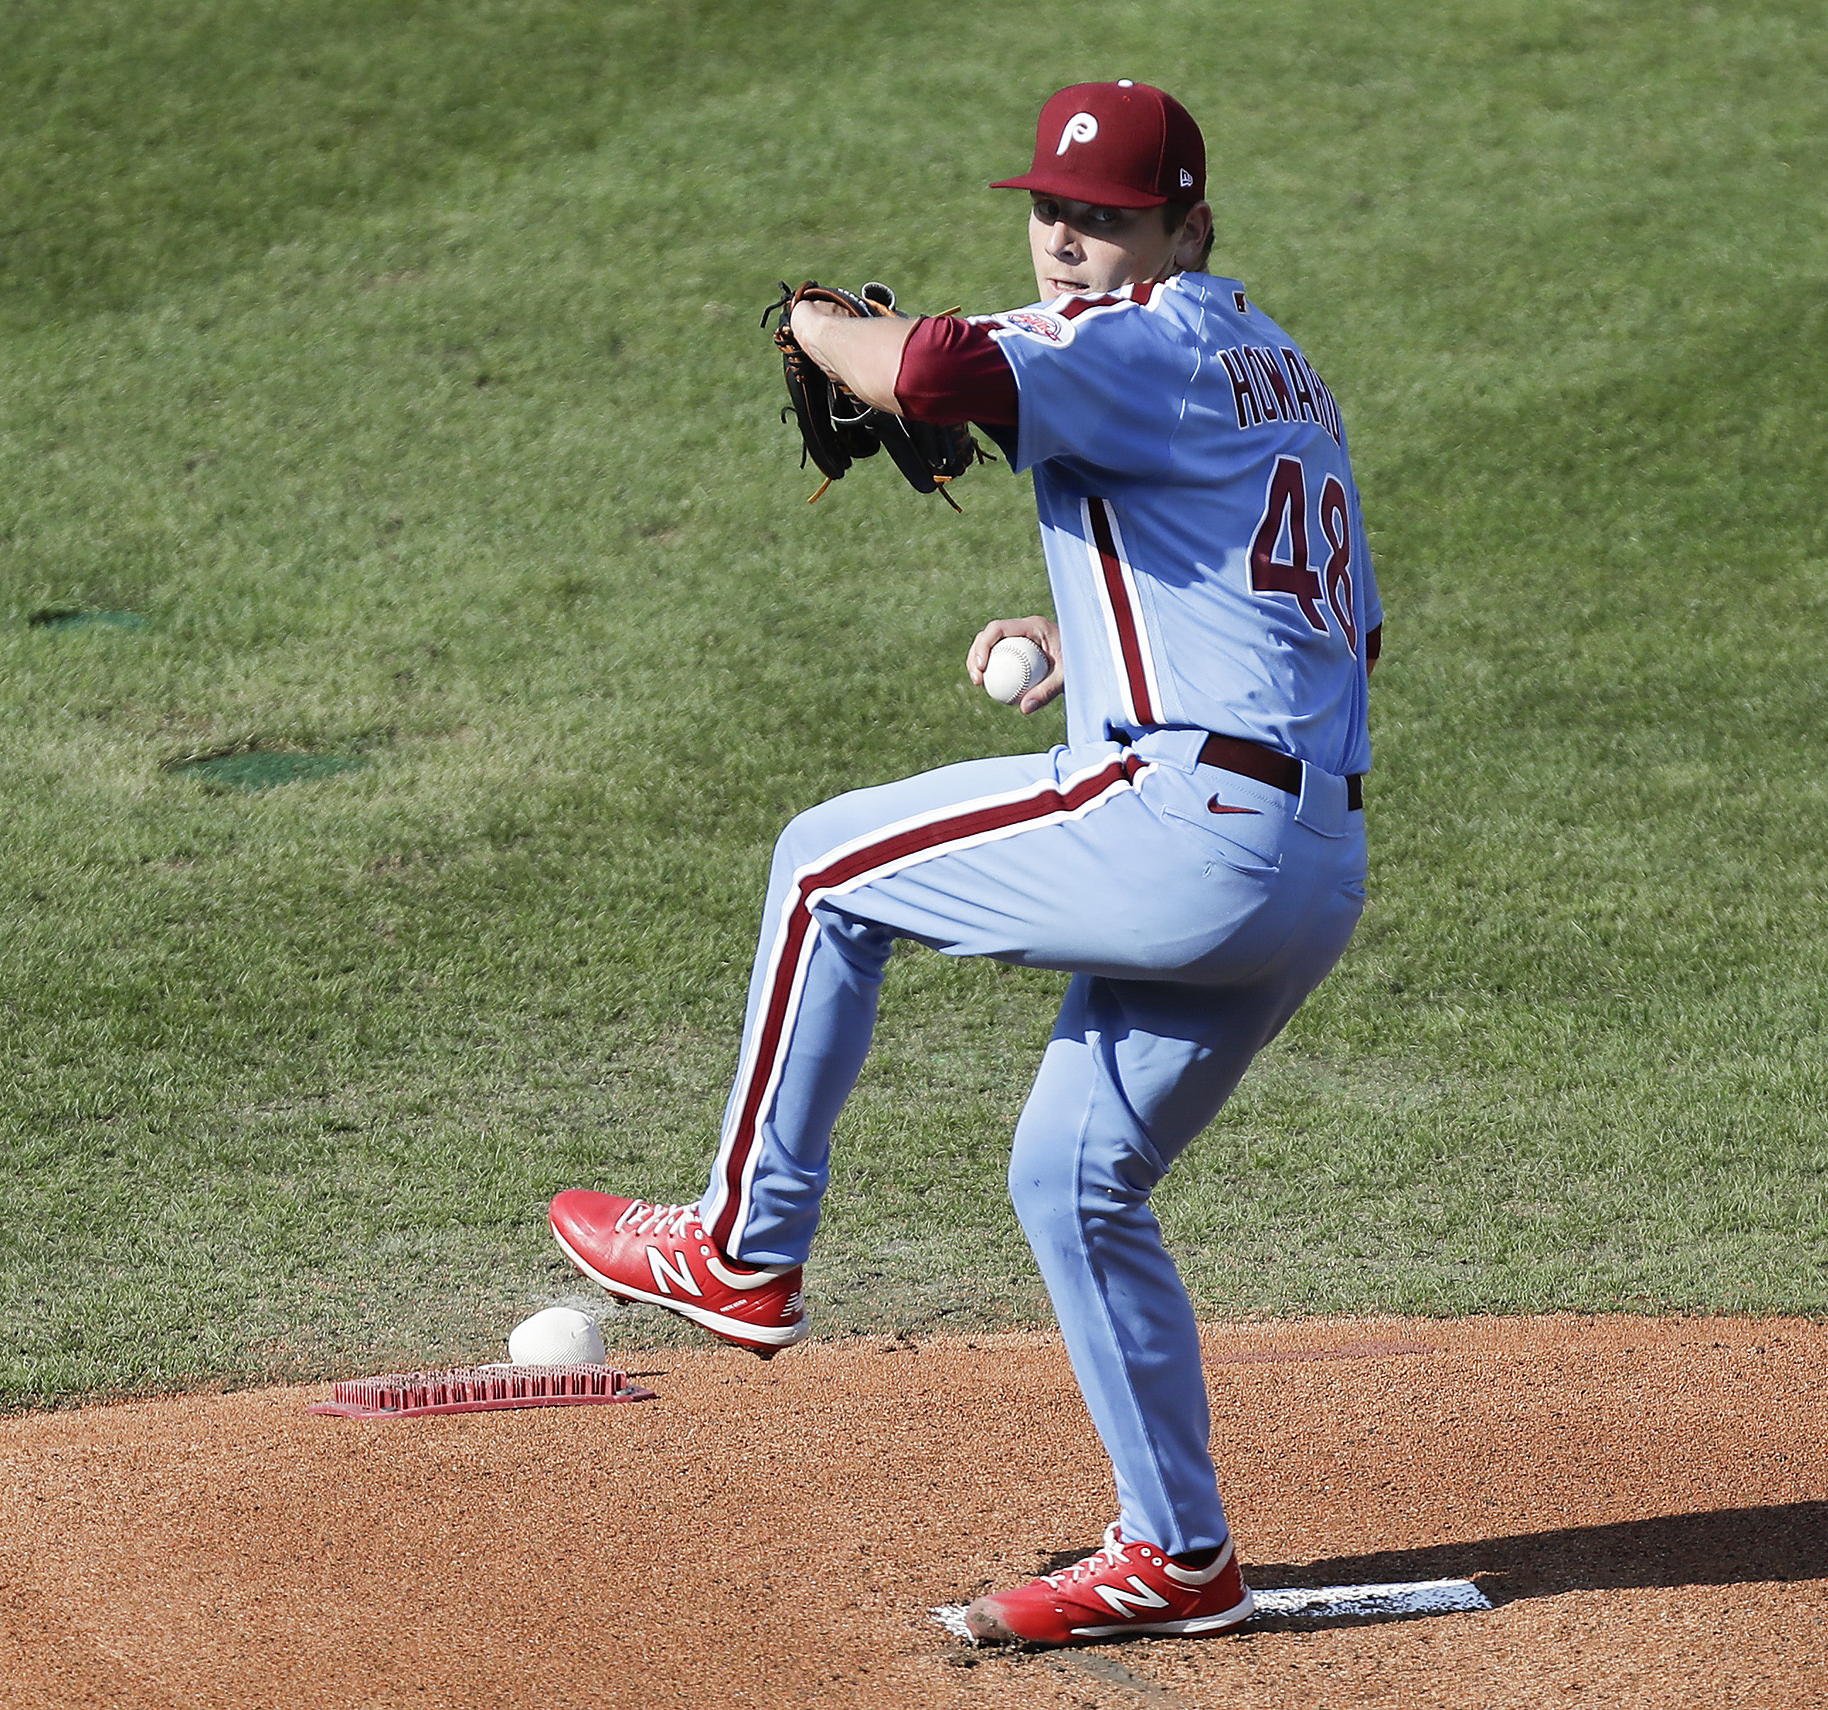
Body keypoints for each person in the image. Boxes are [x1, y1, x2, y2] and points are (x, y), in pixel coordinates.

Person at [548, 78, 1380, 1647]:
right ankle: (1177, 1552)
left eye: (1109, 217)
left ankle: (739, 1245)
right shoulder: (1277, 369)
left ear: (1186, 227)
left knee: (819, 866)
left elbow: (928, 366)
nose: (1069, 241)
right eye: (1052, 212)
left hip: (1185, 833)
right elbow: (1312, 612)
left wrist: (811, 321)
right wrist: (1097, 645)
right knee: (1073, 1177)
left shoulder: (1137, 335)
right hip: (1306, 861)